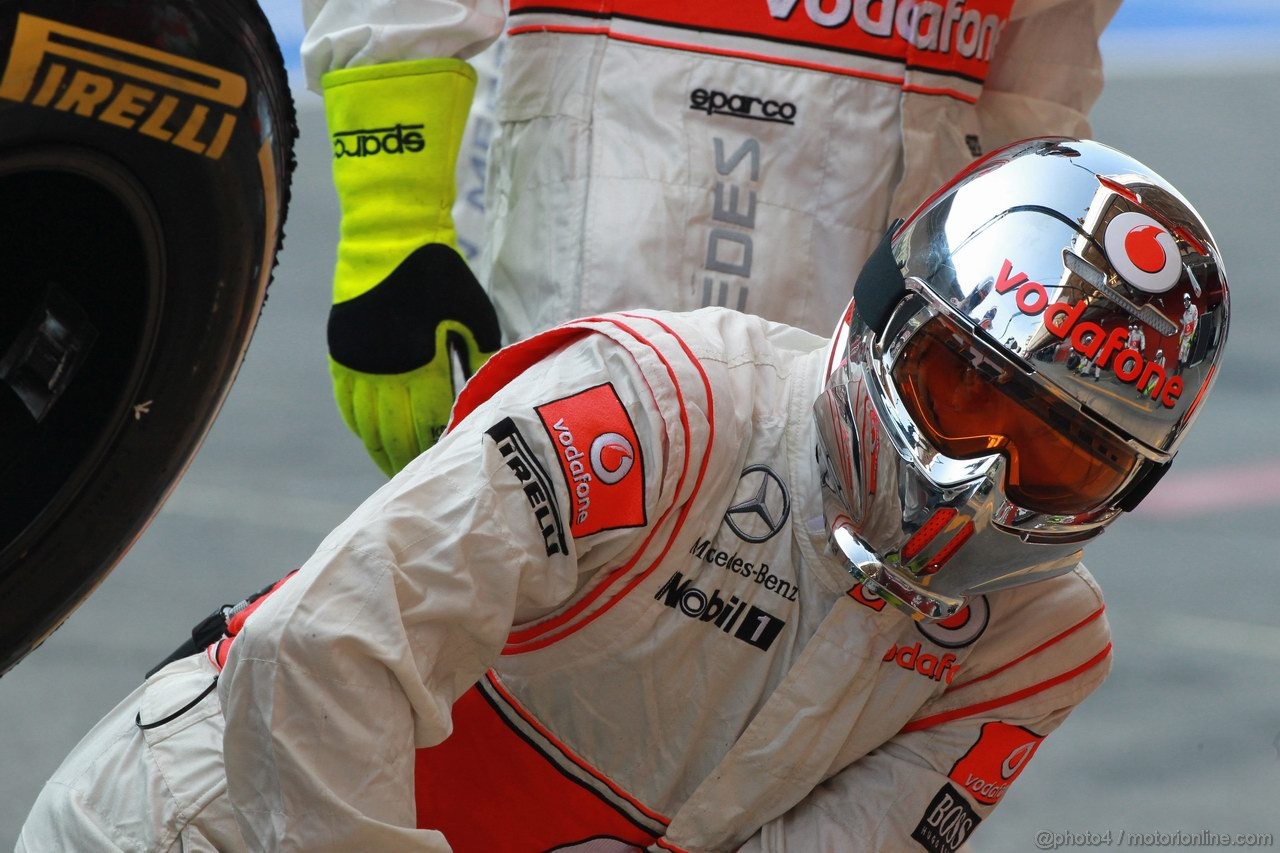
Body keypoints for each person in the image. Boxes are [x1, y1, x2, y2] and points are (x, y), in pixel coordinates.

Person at [17, 139, 1230, 852]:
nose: (977, 479)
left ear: (1127, 487)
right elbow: (320, 652)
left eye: (1062, 455)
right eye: (968, 392)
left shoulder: (1037, 647)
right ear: (879, 316)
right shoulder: (660, 409)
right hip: (210, 825)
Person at [307, 0, 1124, 475]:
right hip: (627, 141)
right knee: (551, 585)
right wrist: (393, 219)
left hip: (908, 212)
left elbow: (1042, 68)